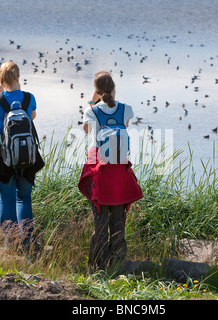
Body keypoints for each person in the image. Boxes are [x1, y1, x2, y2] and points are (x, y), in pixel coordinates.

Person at [78, 71, 143, 271]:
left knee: (100, 219)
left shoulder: (91, 111)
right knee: (118, 219)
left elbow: (87, 130)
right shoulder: (126, 109)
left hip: (98, 170)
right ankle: (118, 265)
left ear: (96, 91)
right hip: (118, 170)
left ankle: (97, 267)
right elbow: (122, 125)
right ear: (114, 88)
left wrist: (92, 100)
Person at [0, 61, 44, 254]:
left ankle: (10, 244)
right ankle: (27, 240)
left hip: (3, 155)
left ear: (1, 80)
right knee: (24, 198)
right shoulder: (29, 97)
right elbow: (32, 117)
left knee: (7, 198)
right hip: (26, 154)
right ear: (19, 77)